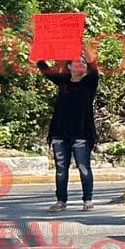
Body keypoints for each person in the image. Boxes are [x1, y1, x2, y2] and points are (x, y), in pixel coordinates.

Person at [38, 47, 99, 212]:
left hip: (81, 133)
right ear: (69, 67)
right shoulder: (63, 81)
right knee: (61, 169)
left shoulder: (90, 82)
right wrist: (38, 51)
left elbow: (93, 65)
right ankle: (61, 201)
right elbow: (45, 69)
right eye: (77, 62)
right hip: (60, 132)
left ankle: (87, 199)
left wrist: (84, 47)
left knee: (83, 167)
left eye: (83, 62)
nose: (81, 63)